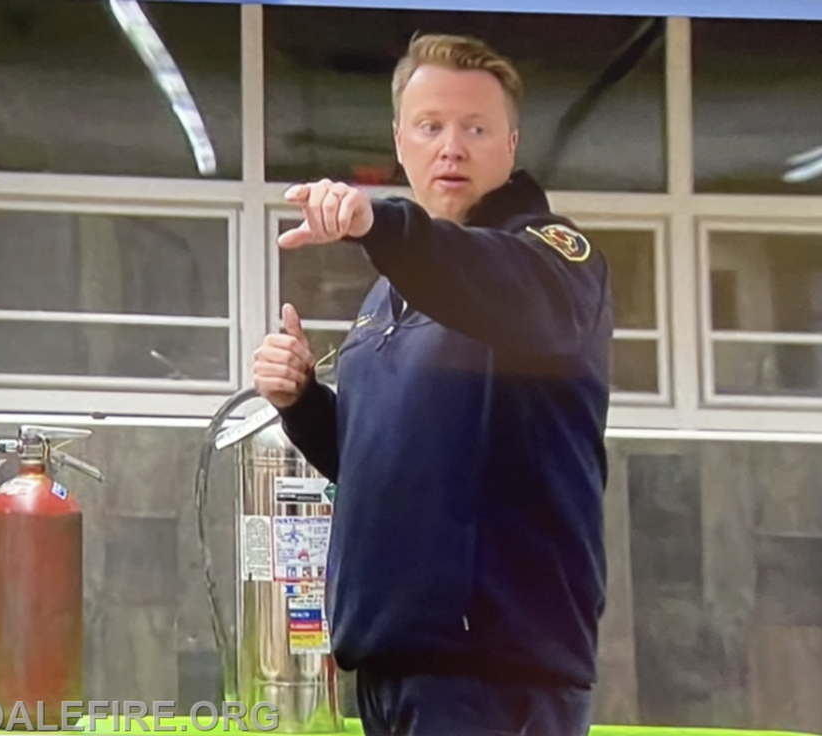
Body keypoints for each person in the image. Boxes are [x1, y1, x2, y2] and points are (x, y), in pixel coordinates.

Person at [253, 32, 613, 736]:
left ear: (510, 144)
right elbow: (381, 464)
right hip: (390, 664)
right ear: (401, 141)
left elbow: (482, 277)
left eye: (475, 128)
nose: (452, 147)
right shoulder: (390, 296)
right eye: (431, 127)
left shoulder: (555, 261)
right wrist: (301, 401)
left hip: (497, 674)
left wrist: (378, 221)